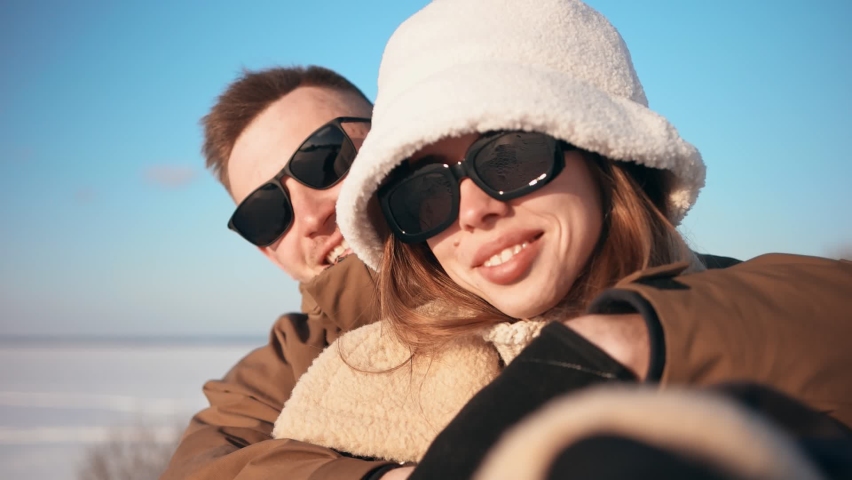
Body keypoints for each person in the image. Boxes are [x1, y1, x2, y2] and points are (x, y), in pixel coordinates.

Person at [271, 0, 852, 478]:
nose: (472, 211)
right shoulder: (349, 381)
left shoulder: (771, 323)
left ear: (606, 155)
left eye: (507, 158)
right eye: (425, 194)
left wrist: (632, 337)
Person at [161, 66, 405, 480]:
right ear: (268, 253)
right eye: (267, 212)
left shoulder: (529, 268)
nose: (311, 217)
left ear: (395, 133)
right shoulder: (287, 368)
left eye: (326, 159)